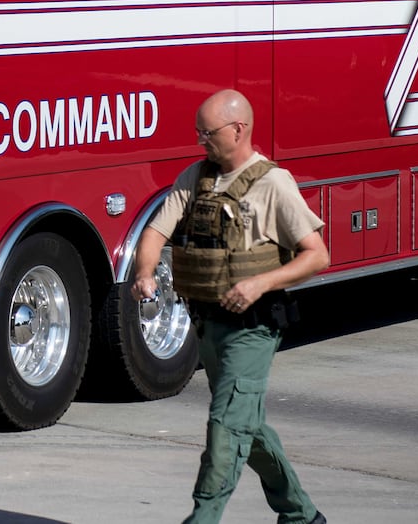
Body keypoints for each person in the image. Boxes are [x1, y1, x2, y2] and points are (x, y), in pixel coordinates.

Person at [130, 89, 329, 524]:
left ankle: (202, 519)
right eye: (198, 132)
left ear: (239, 130)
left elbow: (317, 255)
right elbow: (155, 232)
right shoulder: (195, 178)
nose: (202, 140)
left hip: (252, 330)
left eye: (209, 132)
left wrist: (261, 282)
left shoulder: (273, 183)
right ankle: (301, 515)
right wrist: (145, 273)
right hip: (208, 326)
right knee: (247, 427)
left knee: (224, 429)